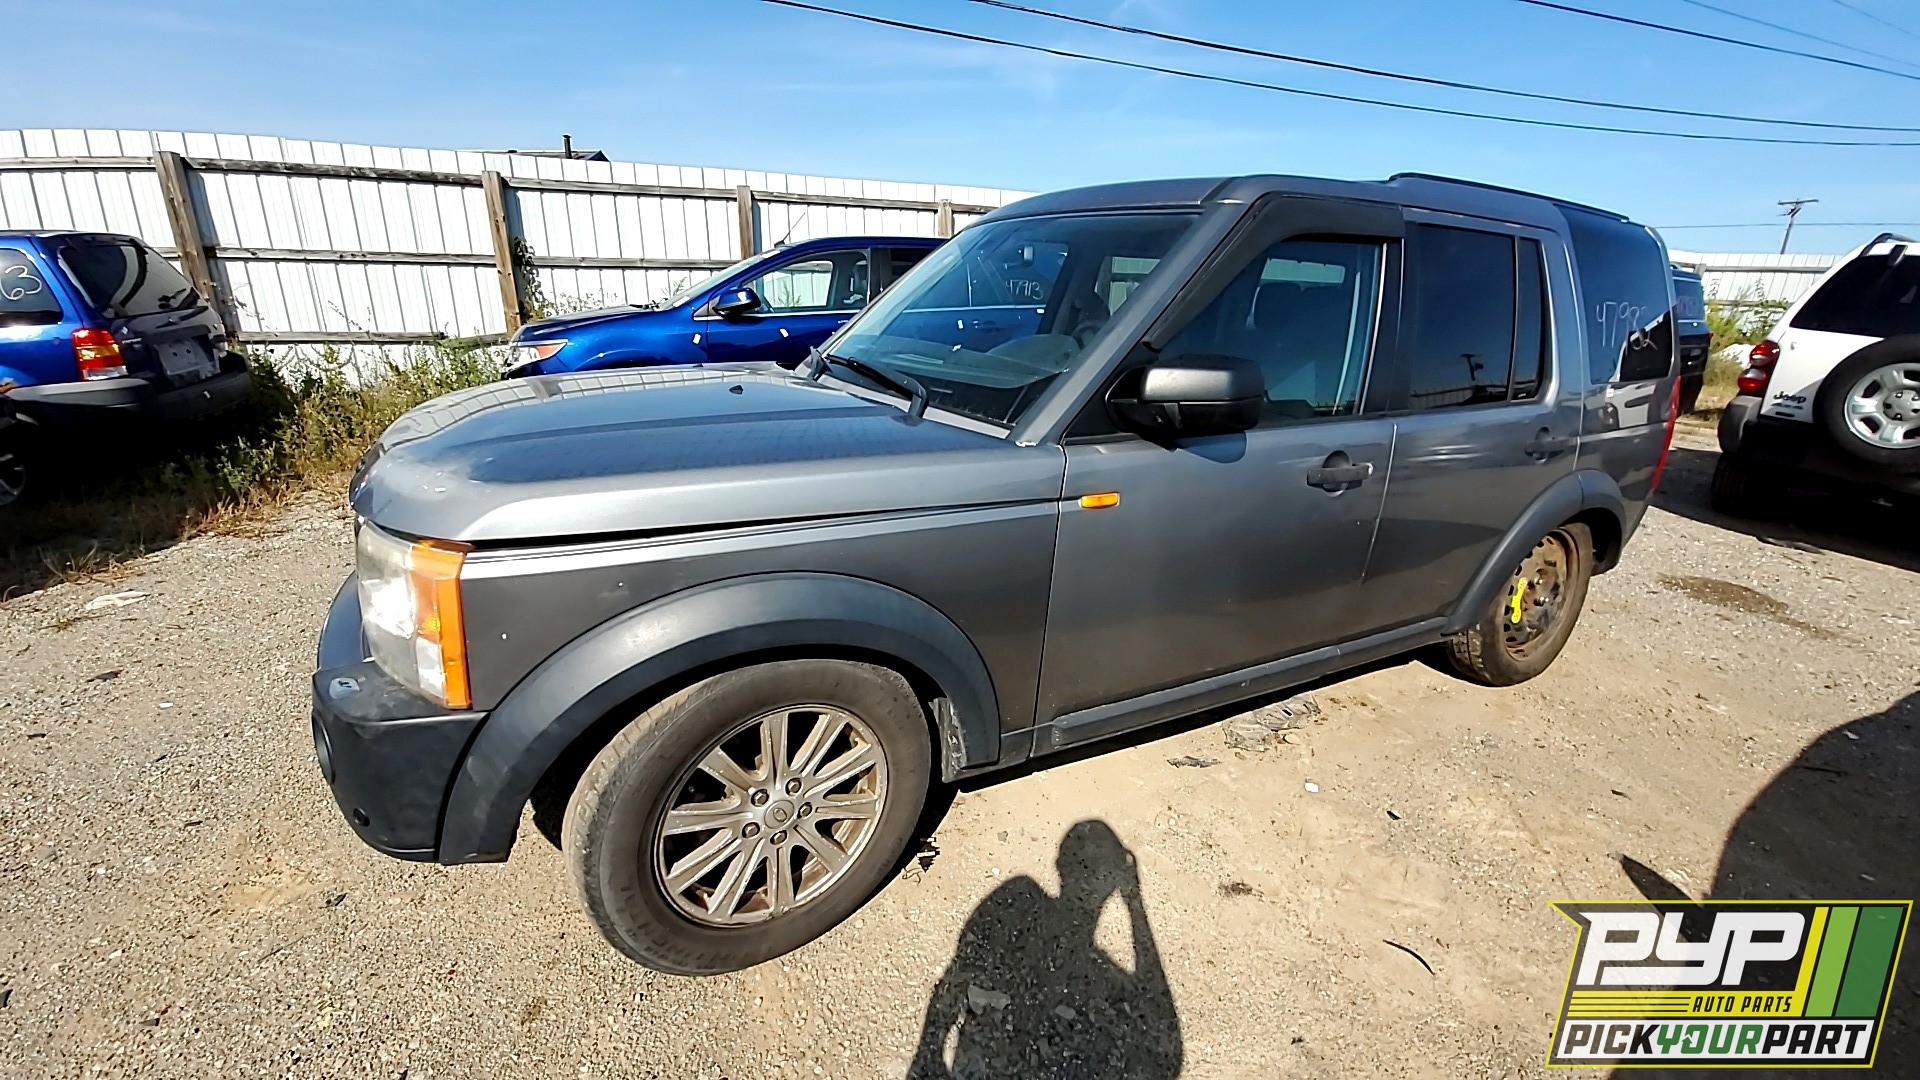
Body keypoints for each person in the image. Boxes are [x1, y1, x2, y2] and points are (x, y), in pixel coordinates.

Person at [910, 819, 1182, 1079]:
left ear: (1059, 864)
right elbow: (1163, 1035)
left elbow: (958, 973)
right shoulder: (1095, 966)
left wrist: (927, 1051)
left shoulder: (1018, 895)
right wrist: (1134, 902)